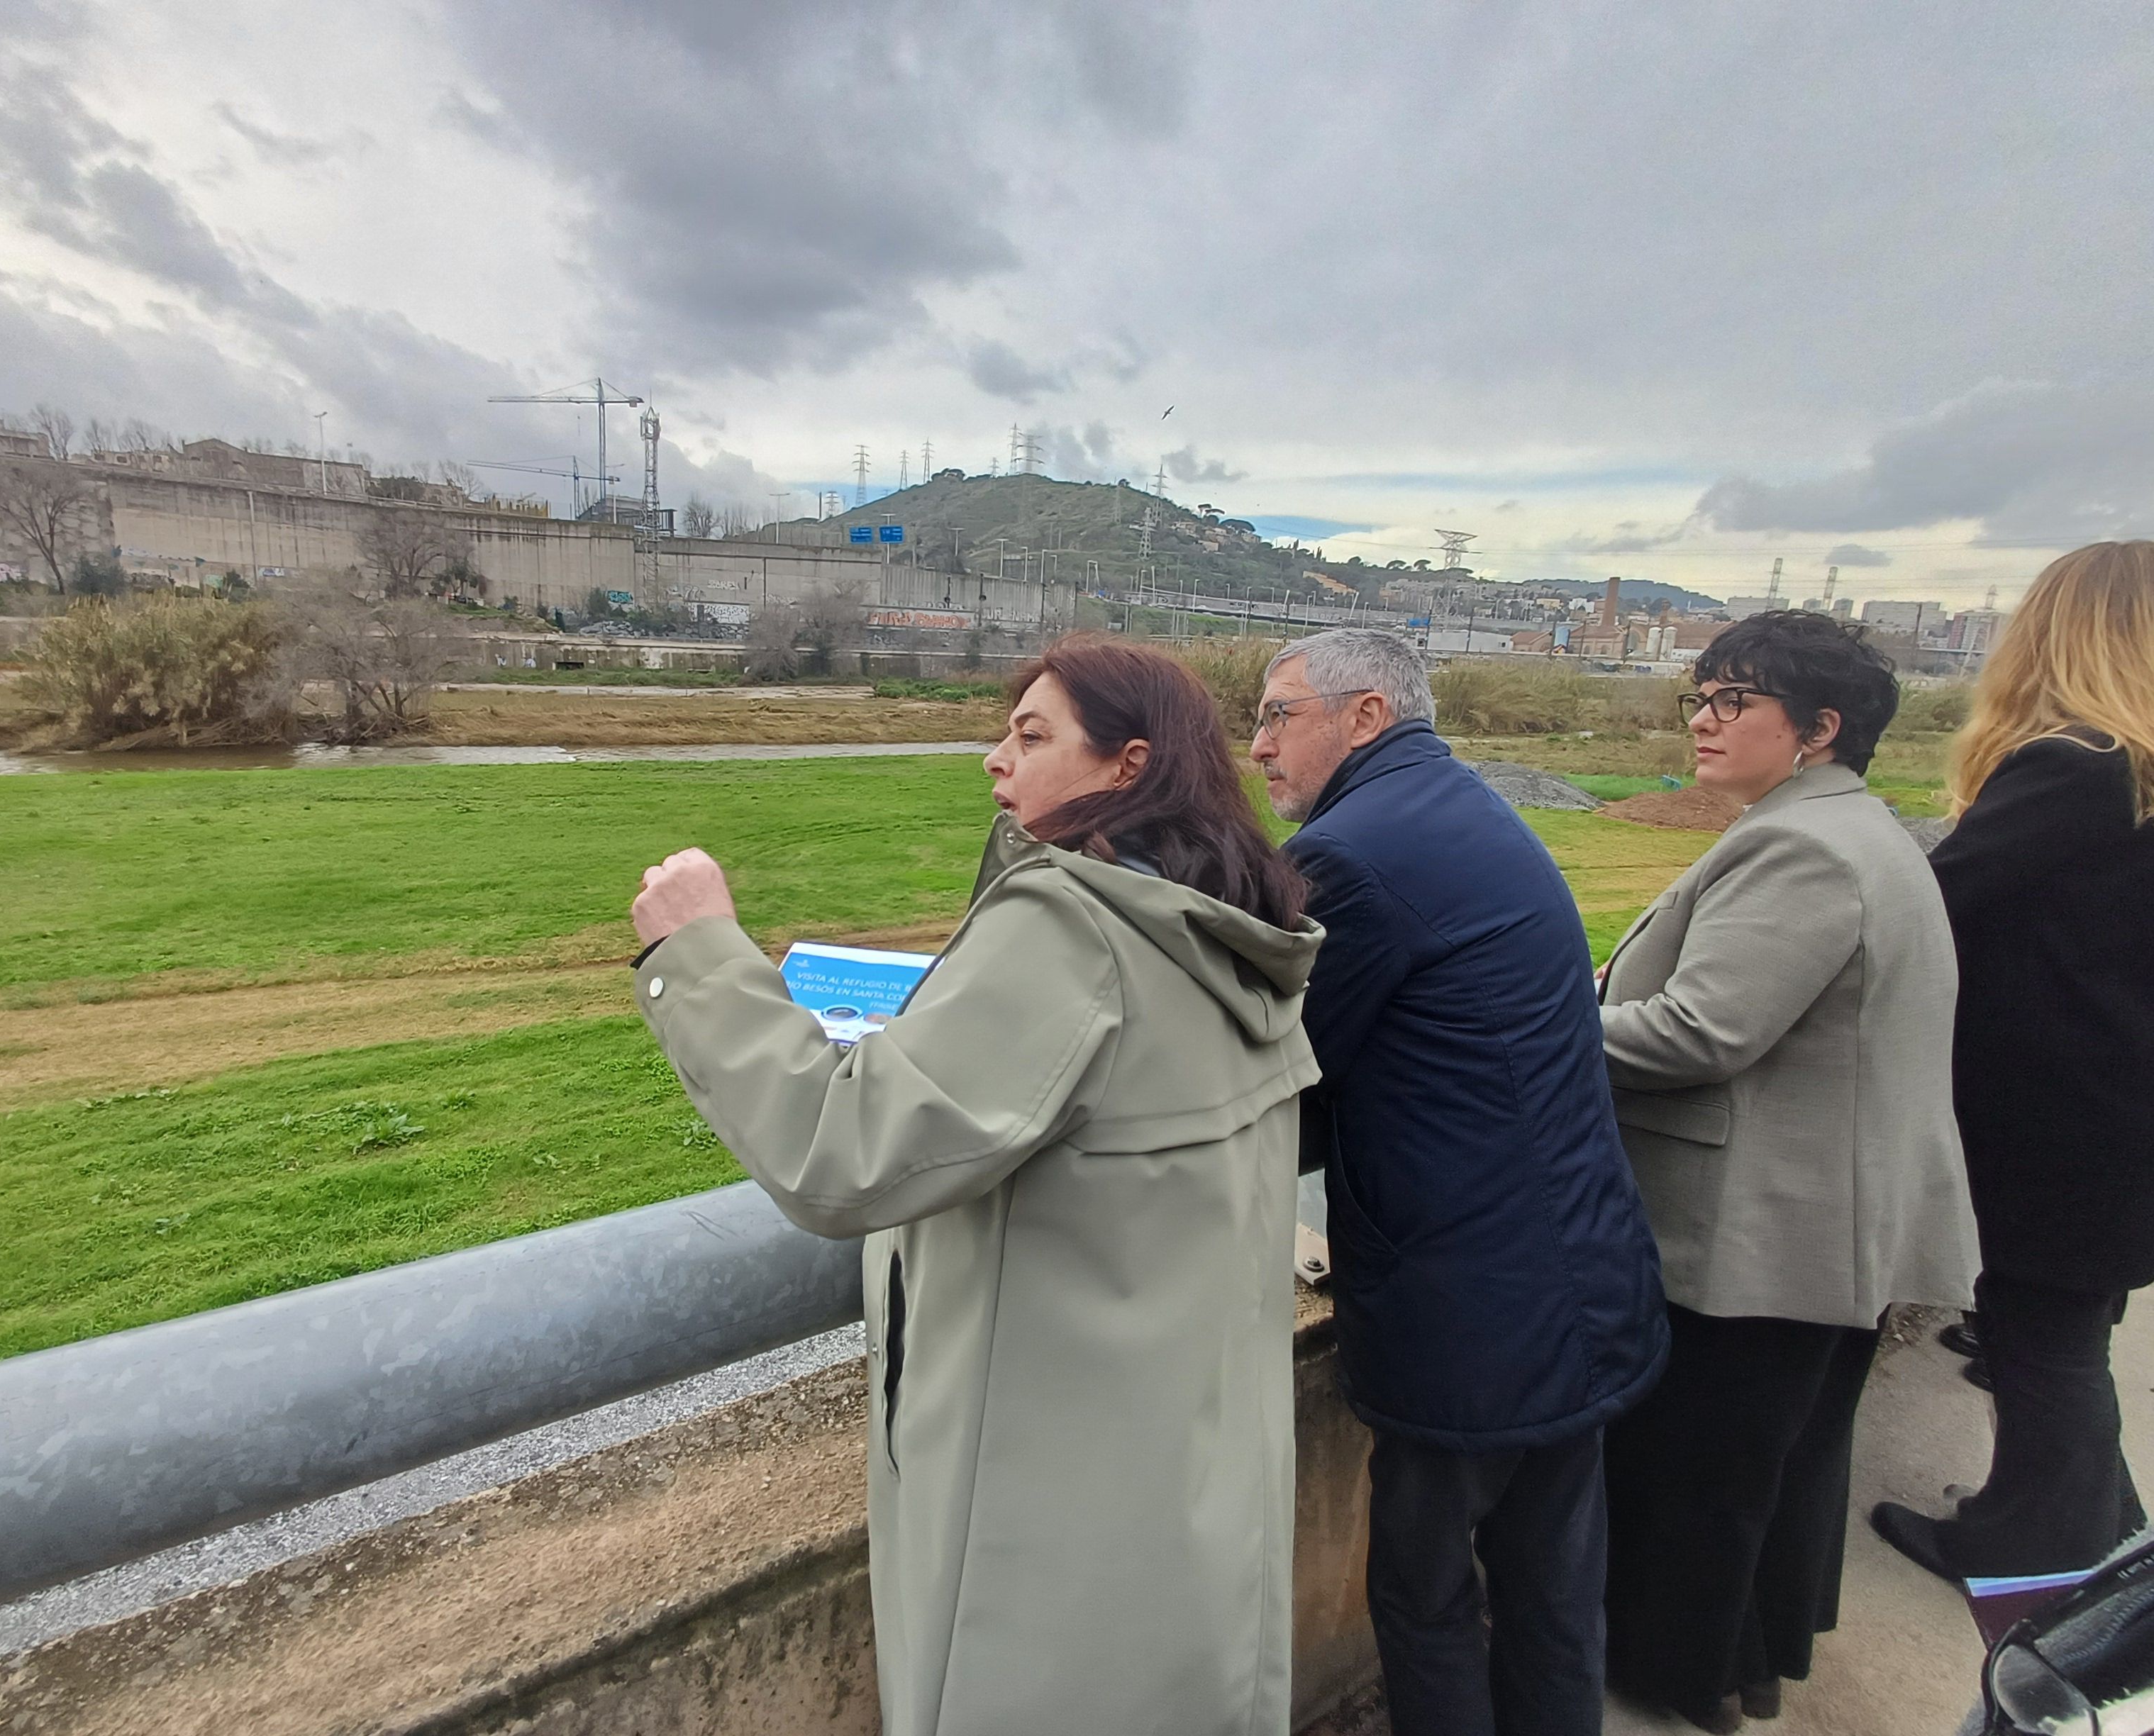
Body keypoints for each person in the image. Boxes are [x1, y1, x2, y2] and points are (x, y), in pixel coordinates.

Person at [627, 635, 1321, 1736]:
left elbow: (839, 1151)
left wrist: (703, 951)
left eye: (1033, 735)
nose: (996, 759)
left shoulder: (1073, 929)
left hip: (1045, 1516)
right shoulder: (1220, 932)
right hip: (1183, 1481)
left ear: (1127, 766)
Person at [1250, 628, 1667, 1736]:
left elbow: (1285, 1073)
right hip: (1575, 1278)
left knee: (1426, 1594)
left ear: (1368, 714)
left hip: (1469, 1316)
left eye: (1278, 714)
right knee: (1553, 1587)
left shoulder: (1355, 854)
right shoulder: (1460, 806)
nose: (1258, 747)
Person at [1597, 611, 1980, 1733]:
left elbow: (1697, 1033)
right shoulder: (1859, 832)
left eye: (1733, 702)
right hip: (1828, 1221)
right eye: (1701, 698)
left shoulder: (1801, 845)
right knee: (1779, 1462)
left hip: (1764, 1230)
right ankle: (1743, 1661)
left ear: (1818, 729)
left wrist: (1535, 1024)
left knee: (1705, 1472)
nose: (1705, 722)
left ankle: (1676, 1674)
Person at [1871, 541, 2154, 1582]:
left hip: (2058, 1124)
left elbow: (1931, 905)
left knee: (2045, 1347)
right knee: (2060, 1337)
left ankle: (2052, 1551)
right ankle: (2080, 1527)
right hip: (2120, 1111)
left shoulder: (2077, 767)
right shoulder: (2135, 776)